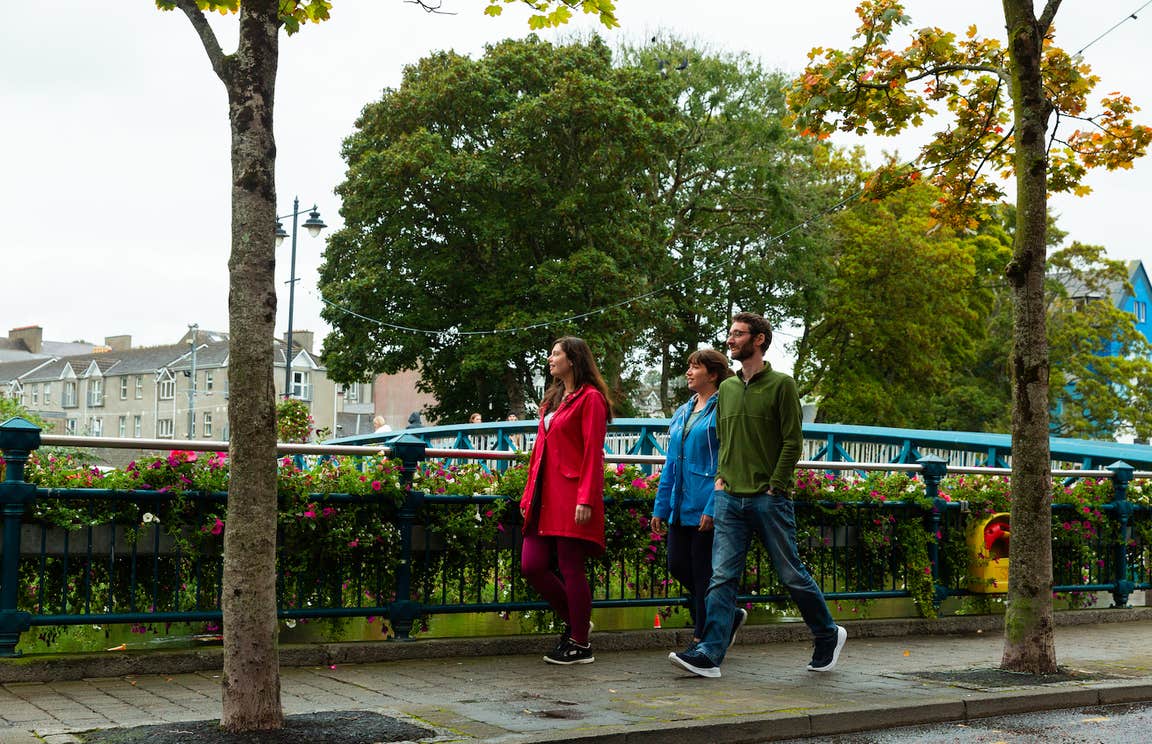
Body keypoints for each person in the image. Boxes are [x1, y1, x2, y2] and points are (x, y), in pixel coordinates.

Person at [670, 312, 846, 678]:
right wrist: (720, 480)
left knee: (791, 574)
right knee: (721, 577)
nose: (731, 340)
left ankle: (827, 633)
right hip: (729, 497)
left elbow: (792, 441)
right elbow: (725, 443)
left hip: (769, 498)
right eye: (730, 334)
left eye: (738, 334)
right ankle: (710, 653)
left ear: (759, 339)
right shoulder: (728, 390)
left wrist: (776, 483)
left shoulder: (782, 385)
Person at [519, 336, 612, 665]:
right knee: (531, 565)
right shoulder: (554, 398)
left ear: (573, 359)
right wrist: (529, 495)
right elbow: (539, 453)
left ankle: (580, 643)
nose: (550, 358)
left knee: (571, 567)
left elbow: (592, 452)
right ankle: (578, 624)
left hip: (573, 496)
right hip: (545, 496)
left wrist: (586, 498)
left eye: (556, 354)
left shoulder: (592, 400)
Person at [651, 349, 745, 647]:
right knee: (677, 564)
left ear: (713, 374)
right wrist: (661, 506)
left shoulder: (723, 408)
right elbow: (671, 463)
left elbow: (728, 460)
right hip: (680, 504)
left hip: (707, 502)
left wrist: (713, 506)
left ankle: (703, 639)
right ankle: (725, 613)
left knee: (705, 573)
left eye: (696, 367)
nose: (689, 372)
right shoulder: (683, 410)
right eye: (688, 367)